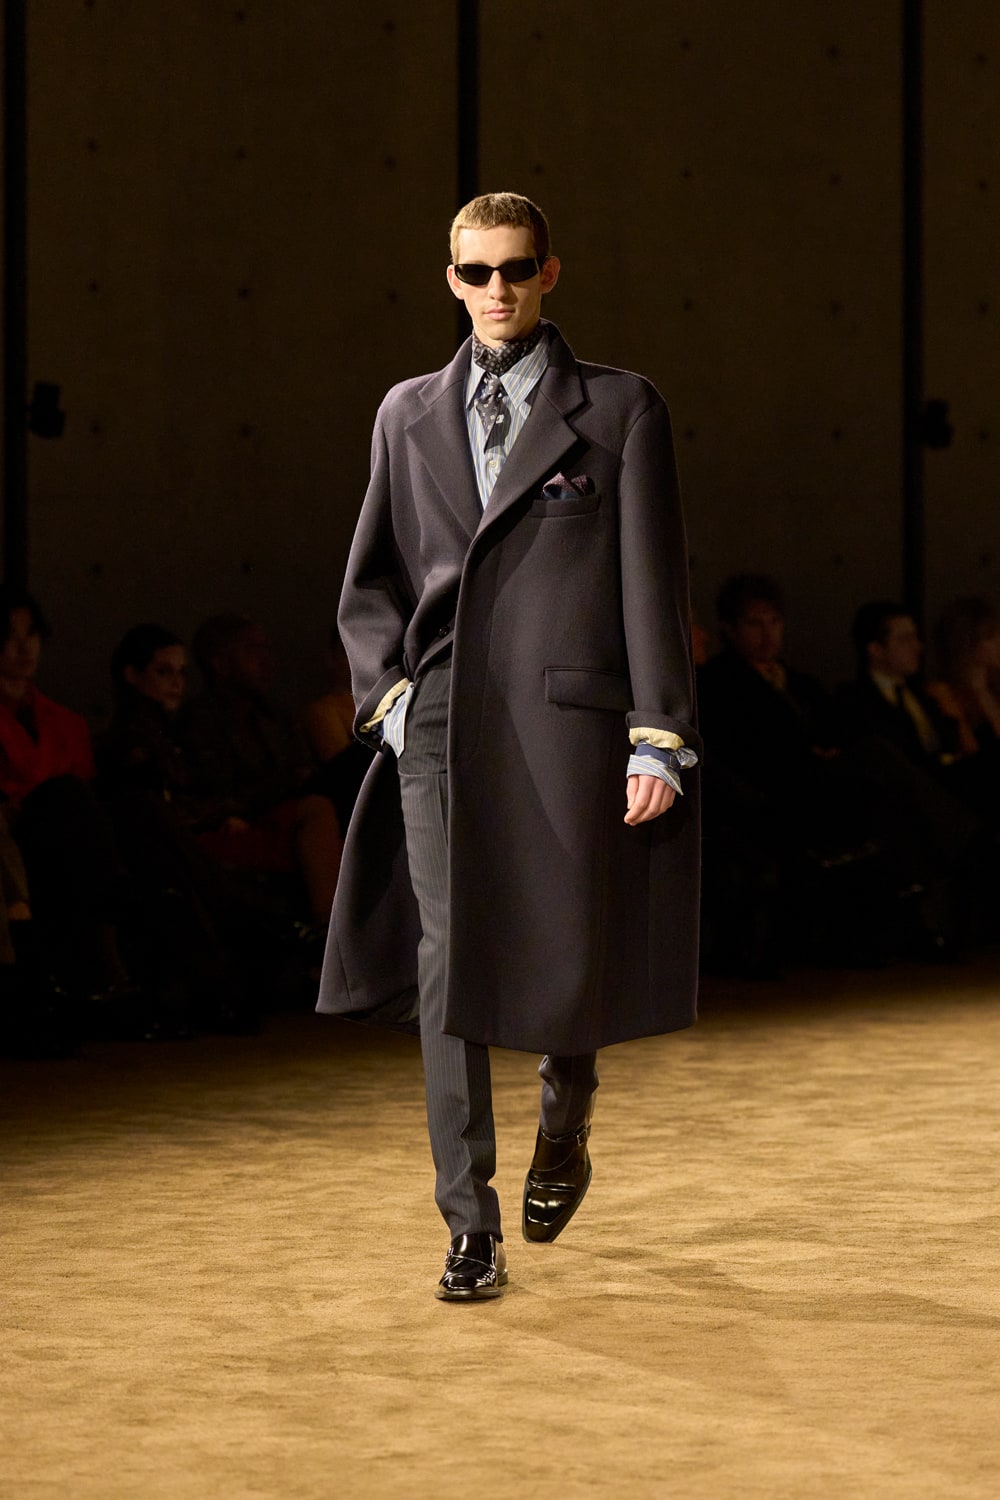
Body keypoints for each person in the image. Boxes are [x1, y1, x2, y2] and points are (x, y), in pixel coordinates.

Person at [317, 192, 700, 1301]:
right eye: (476, 272)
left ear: (549, 273)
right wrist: (388, 701)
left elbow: (652, 579)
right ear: (451, 280)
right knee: (448, 962)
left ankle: (564, 1120)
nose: (497, 290)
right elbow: (370, 579)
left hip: (568, 719)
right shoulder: (406, 413)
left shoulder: (620, 409)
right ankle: (467, 1223)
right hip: (438, 721)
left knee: (566, 945)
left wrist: (658, 734)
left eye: (516, 269)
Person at [180, 613, 341, 927]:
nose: (266, 662)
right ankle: (331, 926)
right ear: (220, 663)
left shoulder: (274, 716)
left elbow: (301, 769)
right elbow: (217, 793)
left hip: (285, 810)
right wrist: (285, 786)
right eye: (252, 651)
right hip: (245, 822)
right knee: (319, 809)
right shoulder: (197, 724)